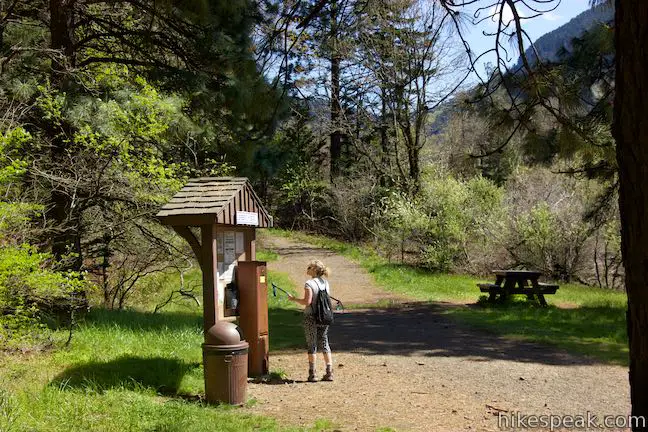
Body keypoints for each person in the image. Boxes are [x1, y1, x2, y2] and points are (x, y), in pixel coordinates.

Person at [288, 259, 334, 382]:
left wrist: (293, 299)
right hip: (324, 317)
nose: (307, 268)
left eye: (309, 267)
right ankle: (329, 372)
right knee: (324, 342)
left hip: (311, 317)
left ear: (314, 270)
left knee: (312, 344)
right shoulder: (325, 282)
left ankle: (312, 373)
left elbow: (307, 302)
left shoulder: (309, 283)